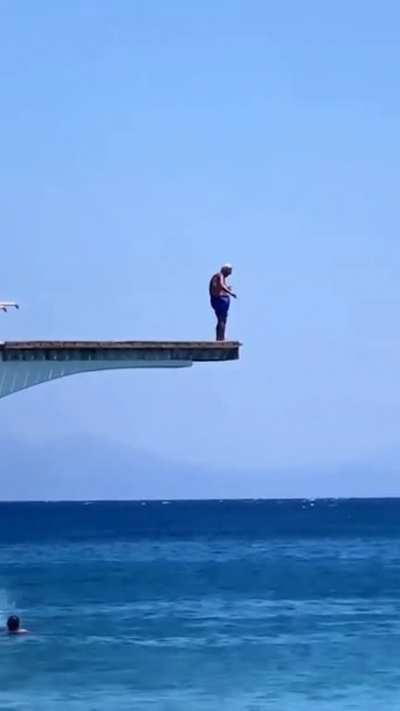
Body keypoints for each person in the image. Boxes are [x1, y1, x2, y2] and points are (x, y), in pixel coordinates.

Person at [209, 264, 237, 341]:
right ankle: (221, 338)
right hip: (219, 301)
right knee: (222, 319)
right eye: (229, 272)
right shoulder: (220, 275)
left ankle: (219, 337)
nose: (229, 274)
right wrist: (230, 293)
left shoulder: (218, 277)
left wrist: (227, 288)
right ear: (225, 270)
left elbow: (218, 287)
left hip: (217, 300)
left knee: (220, 320)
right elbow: (221, 285)